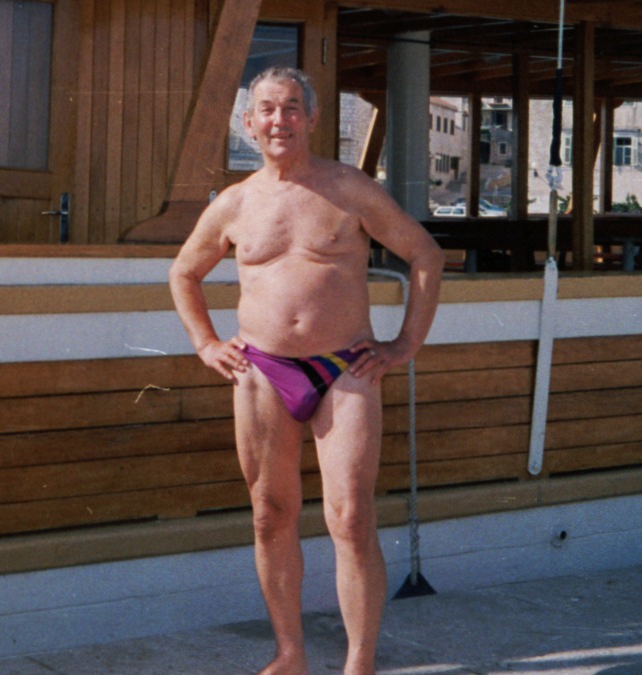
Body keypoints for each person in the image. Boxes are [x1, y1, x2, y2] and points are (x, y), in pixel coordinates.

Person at [169, 66, 443, 675]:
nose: (279, 120)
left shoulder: (350, 188)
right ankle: (289, 654)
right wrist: (206, 342)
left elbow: (426, 252)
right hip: (262, 370)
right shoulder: (234, 204)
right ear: (248, 124)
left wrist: (404, 344)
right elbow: (183, 272)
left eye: (292, 108)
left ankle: (359, 664)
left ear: (313, 119)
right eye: (267, 109)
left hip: (346, 369)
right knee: (270, 514)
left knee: (349, 516)